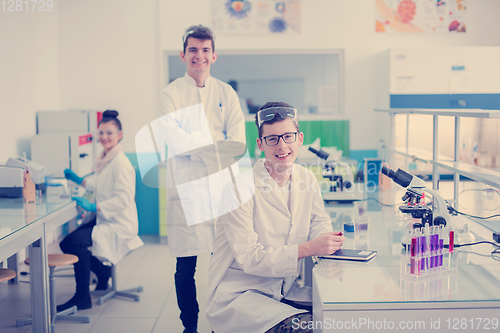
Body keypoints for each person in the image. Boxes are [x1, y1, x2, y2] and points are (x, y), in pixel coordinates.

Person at [206, 102, 345, 333]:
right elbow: (250, 257)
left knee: (341, 318)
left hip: (282, 288)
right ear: (260, 144)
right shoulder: (239, 188)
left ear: (299, 138)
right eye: (272, 139)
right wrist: (310, 248)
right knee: (312, 329)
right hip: (241, 294)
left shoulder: (306, 178)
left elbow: (318, 221)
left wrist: (325, 240)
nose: (282, 146)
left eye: (288, 136)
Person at [159, 25, 246, 333]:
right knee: (185, 270)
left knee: (225, 266)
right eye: (193, 50)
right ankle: (190, 327)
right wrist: (215, 141)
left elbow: (237, 143)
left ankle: (220, 324)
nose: (199, 55)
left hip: (221, 192)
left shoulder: (226, 92)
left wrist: (197, 144)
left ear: (214, 55)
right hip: (187, 195)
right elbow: (175, 142)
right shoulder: (170, 94)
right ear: (183, 54)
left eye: (205, 50)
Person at [57, 110, 144, 311]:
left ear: (120, 134)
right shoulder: (106, 158)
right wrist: (80, 181)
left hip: (119, 222)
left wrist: (94, 206)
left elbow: (123, 199)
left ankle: (82, 297)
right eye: (101, 133)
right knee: (68, 242)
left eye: (109, 133)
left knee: (73, 242)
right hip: (105, 218)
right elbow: (101, 184)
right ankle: (103, 274)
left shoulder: (121, 163)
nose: (104, 137)